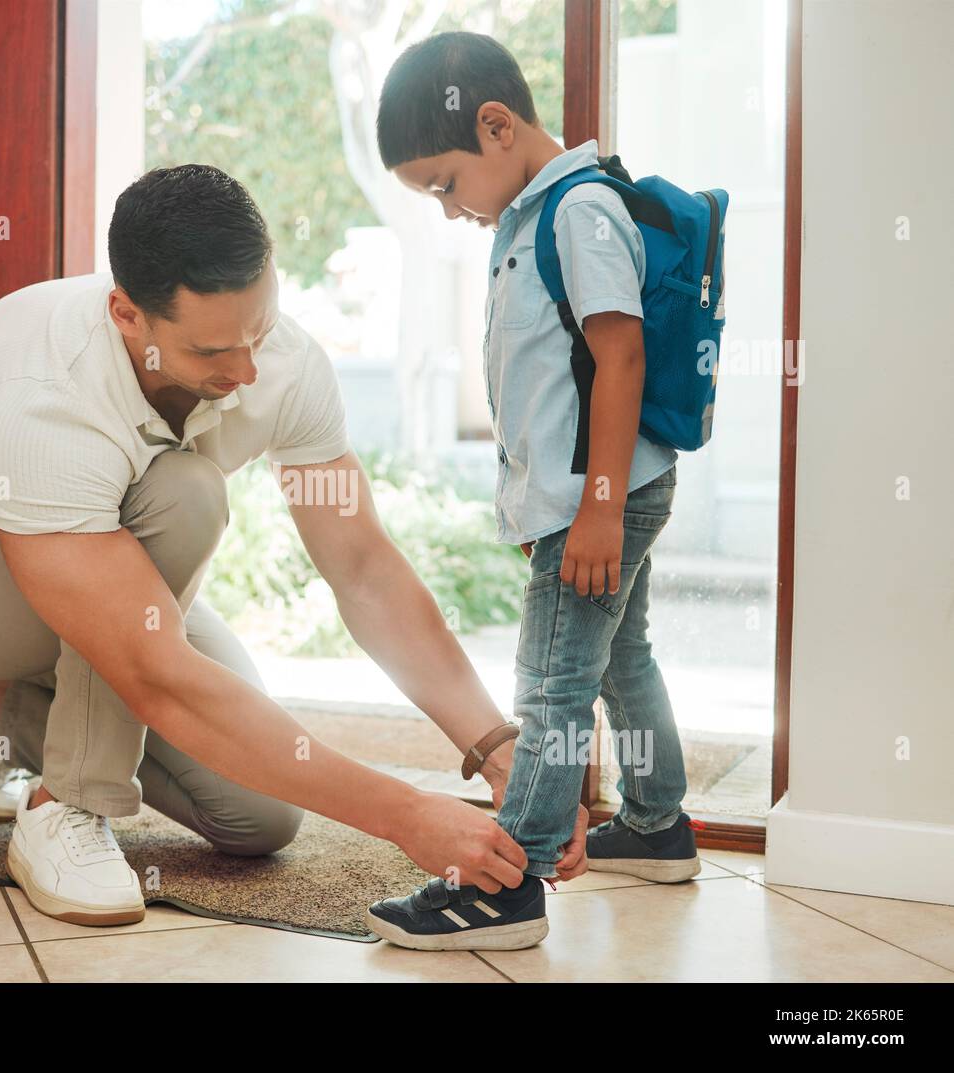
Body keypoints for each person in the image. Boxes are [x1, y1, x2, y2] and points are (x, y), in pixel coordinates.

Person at [0, 163, 566, 928]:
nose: (245, 372)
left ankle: (1, 701)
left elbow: (365, 571)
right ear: (126, 314)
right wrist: (405, 813)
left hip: (113, 583)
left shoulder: (282, 364)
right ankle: (64, 804)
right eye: (213, 352)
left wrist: (493, 742)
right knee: (186, 496)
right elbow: (154, 675)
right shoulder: (45, 387)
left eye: (259, 332)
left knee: (260, 817)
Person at [365, 31, 700, 952]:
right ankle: (658, 822)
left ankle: (510, 878)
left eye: (443, 184)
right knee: (620, 656)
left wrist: (593, 507)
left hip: (603, 500)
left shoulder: (578, 210)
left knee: (551, 685)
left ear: (497, 125)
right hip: (591, 498)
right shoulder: (526, 216)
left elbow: (619, 353)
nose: (445, 210)